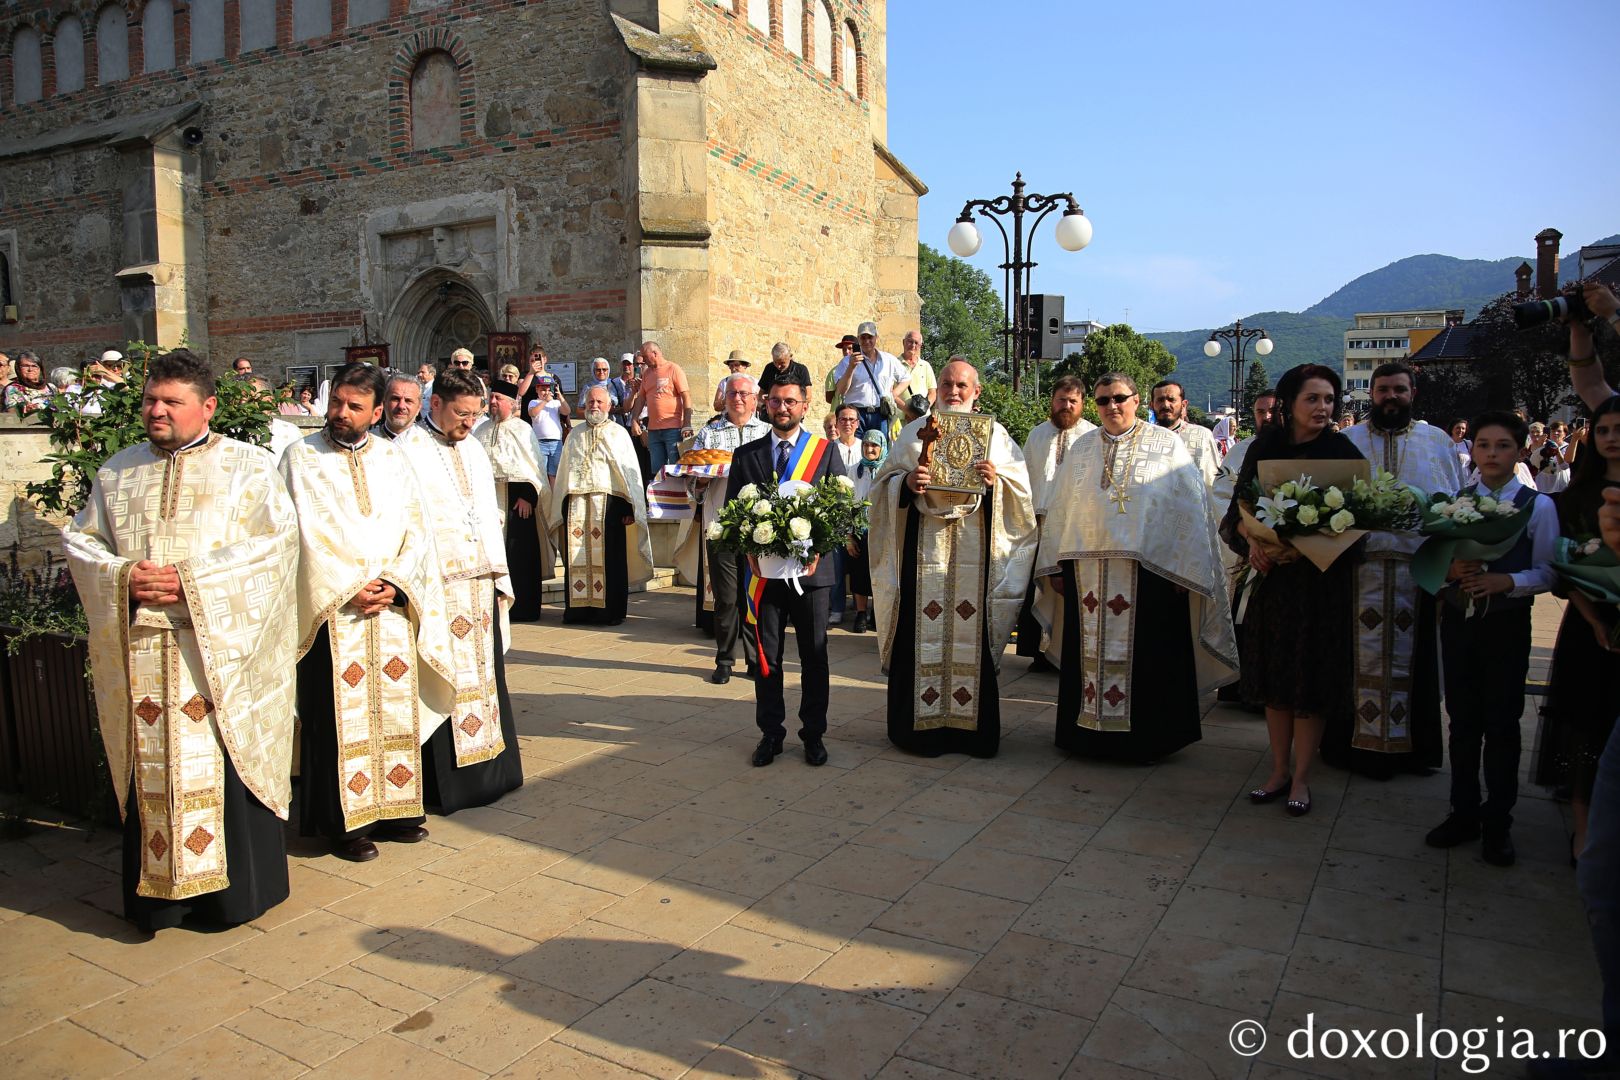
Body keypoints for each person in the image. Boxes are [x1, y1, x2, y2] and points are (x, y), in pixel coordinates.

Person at [63, 348, 299, 930]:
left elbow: (276, 546)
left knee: (221, 757)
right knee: (155, 764)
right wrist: (123, 577)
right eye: (150, 400)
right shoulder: (117, 470)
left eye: (172, 401)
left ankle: (230, 896)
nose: (156, 411)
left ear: (208, 406)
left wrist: (190, 582)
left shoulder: (249, 468)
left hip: (217, 651)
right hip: (143, 647)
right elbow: (82, 543)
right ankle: (162, 896)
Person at [280, 364, 456, 863]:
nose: (340, 413)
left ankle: (397, 810)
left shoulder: (392, 459)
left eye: (354, 407)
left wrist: (396, 583)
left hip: (391, 608)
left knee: (392, 706)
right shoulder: (299, 458)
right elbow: (296, 534)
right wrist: (348, 588)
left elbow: (416, 529)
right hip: (330, 613)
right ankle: (345, 825)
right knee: (338, 720)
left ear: (376, 412)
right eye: (336, 402)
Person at [1037, 371, 1237, 763]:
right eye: (1103, 400)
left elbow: (1190, 513)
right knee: (1088, 657)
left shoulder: (1166, 446)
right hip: (1089, 576)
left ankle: (1151, 738)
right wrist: (1057, 567)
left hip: (1153, 576)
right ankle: (1086, 735)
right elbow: (1063, 512)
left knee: (1151, 659)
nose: (1112, 406)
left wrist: (1188, 569)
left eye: (1119, 398)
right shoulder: (1081, 449)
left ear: (1136, 399)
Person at [870, 359, 1037, 758]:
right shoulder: (912, 434)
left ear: (976, 392)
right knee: (918, 630)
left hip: (977, 555)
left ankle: (971, 732)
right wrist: (906, 484)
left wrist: (998, 484)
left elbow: (1022, 496)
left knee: (971, 633)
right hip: (921, 555)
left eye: (962, 385)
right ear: (936, 388)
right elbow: (881, 489)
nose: (953, 391)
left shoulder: (996, 437)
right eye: (946, 383)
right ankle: (918, 731)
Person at [1221, 364, 1364, 816]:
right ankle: (1278, 769)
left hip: (1322, 587)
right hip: (1276, 586)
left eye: (1328, 399)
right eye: (1313, 399)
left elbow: (1356, 522)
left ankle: (1302, 777)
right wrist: (1253, 547)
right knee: (1278, 681)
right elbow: (1235, 514)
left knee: (1311, 682)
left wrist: (1307, 548)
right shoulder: (1265, 449)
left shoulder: (1342, 451)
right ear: (1289, 404)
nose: (1323, 408)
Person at [1426, 411, 1559, 867]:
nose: (1491, 454)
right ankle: (1462, 812)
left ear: (1520, 451)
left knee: (1502, 723)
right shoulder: (1454, 503)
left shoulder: (1536, 506)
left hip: (1506, 624)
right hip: (1461, 622)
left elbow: (1548, 571)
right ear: (1473, 451)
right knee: (1462, 722)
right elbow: (1434, 564)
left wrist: (1509, 582)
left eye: (1502, 446)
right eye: (1483, 445)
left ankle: (1498, 821)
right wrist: (1450, 570)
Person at [395, 368, 524, 813]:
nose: (469, 423)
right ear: (434, 405)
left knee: (485, 675)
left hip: (480, 581)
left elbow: (486, 513)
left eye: (475, 414)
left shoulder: (473, 450)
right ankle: (449, 785)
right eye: (460, 414)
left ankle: (497, 772)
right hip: (439, 586)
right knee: (445, 674)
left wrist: (497, 574)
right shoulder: (405, 450)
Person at [1331, 361, 1461, 779]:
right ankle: (1351, 747)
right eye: (1383, 390)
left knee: (1417, 660)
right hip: (1358, 569)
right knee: (1351, 658)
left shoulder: (1436, 441)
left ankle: (1414, 749)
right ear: (1371, 394)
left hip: (1417, 571)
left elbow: (1453, 501)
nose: (1391, 397)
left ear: (1412, 394)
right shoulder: (1348, 441)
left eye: (1399, 390)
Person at [724, 375, 846, 767]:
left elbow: (841, 513)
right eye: (775, 401)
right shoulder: (747, 455)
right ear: (766, 404)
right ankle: (770, 733)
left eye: (790, 401)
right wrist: (748, 553)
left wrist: (820, 551)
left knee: (814, 657)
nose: (782, 408)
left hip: (811, 576)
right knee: (767, 659)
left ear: (805, 405)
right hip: (764, 577)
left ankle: (813, 734)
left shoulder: (825, 452)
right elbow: (732, 515)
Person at [1536, 395, 1620, 860]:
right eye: (1603, 430)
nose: (1611, 439)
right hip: (1591, 626)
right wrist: (1592, 617)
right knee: (1586, 724)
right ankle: (1583, 828)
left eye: (1618, 429)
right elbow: (1565, 564)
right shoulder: (1578, 497)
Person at [675, 374, 769, 681]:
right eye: (732, 393)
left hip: (759, 530)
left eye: (743, 393)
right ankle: (725, 660)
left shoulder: (768, 433)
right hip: (721, 528)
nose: (738, 398)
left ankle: (756, 660)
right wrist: (700, 481)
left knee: (755, 598)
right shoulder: (709, 434)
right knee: (726, 598)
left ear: (756, 399)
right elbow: (692, 482)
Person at [548, 386, 654, 626]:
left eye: (599, 402)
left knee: (610, 560)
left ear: (608, 405)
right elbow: (565, 473)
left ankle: (609, 611)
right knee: (578, 557)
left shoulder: (618, 433)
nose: (594, 406)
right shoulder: (575, 435)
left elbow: (628, 476)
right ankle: (579, 610)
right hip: (577, 505)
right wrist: (563, 504)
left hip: (609, 507)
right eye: (590, 402)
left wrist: (628, 509)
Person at [1017, 376, 1097, 671]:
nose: (1066, 406)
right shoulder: (1037, 435)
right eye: (1061, 400)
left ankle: (1069, 653)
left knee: (1071, 591)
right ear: (1052, 401)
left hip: (1075, 528)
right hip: (1039, 524)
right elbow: (1024, 479)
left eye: (1072, 401)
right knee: (1040, 587)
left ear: (1082, 404)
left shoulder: (1092, 436)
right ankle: (1040, 653)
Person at [1211, 387, 1280, 706]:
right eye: (1260, 412)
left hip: (1287, 556)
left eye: (1272, 410)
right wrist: (1248, 528)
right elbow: (1221, 493)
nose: (1267, 417)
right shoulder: (1240, 452)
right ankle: (1243, 689)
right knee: (1245, 619)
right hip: (1248, 551)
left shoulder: (1299, 450)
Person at [479, 378, 556, 622]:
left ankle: (523, 607)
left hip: (518, 506)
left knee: (520, 556)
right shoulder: (480, 430)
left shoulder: (522, 429)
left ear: (512, 403)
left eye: (498, 398)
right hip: (489, 504)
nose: (492, 402)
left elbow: (534, 469)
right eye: (491, 397)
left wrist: (527, 497)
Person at [626, 340, 693, 477]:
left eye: (645, 357)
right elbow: (641, 398)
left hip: (673, 428)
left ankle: (678, 497)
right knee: (656, 472)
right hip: (653, 430)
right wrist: (634, 419)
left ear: (655, 353)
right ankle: (660, 498)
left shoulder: (673, 369)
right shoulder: (647, 374)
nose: (643, 361)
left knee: (676, 470)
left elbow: (686, 397)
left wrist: (687, 423)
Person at [833, 321, 910, 436]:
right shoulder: (846, 361)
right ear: (858, 339)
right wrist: (851, 367)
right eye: (863, 338)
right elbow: (841, 390)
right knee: (856, 450)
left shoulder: (888, 360)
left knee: (880, 450)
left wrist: (893, 395)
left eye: (870, 337)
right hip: (856, 414)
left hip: (881, 413)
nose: (867, 341)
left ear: (876, 338)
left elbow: (906, 378)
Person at [827, 404, 864, 626]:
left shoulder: (866, 445)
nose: (847, 423)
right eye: (843, 419)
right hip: (837, 511)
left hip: (861, 512)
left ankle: (862, 609)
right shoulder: (828, 448)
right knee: (836, 562)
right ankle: (837, 606)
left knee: (860, 563)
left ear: (858, 423)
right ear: (837, 423)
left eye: (852, 419)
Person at [1150, 379, 1220, 485]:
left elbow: (1212, 481)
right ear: (1152, 405)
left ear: (1184, 404)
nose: (1165, 405)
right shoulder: (1143, 437)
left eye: (1171, 399)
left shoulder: (1202, 436)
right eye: (1160, 400)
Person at [526, 378, 569, 478]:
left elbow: (567, 411)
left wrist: (560, 397)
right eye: (543, 390)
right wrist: (545, 401)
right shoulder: (534, 402)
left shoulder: (556, 403)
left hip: (556, 442)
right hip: (540, 442)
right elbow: (533, 413)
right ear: (537, 389)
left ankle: (553, 493)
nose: (547, 392)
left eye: (549, 390)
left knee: (554, 472)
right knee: (541, 472)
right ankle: (543, 493)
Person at [760, 342, 813, 415]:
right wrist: (766, 399)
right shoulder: (769, 368)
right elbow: (761, 393)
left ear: (790, 356)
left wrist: (791, 403)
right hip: (771, 414)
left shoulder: (801, 370)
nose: (778, 366)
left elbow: (808, 396)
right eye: (775, 362)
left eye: (782, 363)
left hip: (792, 413)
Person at [373, 373, 424, 439]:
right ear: (384, 403)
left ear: (419, 408)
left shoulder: (431, 444)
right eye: (395, 399)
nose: (401, 406)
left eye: (408, 401)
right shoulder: (367, 441)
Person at [1531, 419, 1575, 493]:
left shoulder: (1568, 447)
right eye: (1553, 431)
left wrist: (1557, 451)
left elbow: (1564, 466)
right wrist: (1540, 445)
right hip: (1542, 488)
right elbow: (1535, 464)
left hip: (1559, 488)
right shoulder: (1542, 446)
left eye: (1559, 431)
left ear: (1565, 434)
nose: (1555, 433)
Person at [824, 334, 859, 406]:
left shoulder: (864, 368)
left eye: (850, 348)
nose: (846, 352)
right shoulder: (834, 371)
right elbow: (829, 398)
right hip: (838, 411)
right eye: (844, 349)